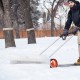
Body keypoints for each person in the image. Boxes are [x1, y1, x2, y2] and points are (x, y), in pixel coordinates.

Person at [61, 0, 80, 64]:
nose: (70, 4)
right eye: (69, 3)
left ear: (75, 2)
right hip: (78, 28)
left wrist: (77, 27)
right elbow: (69, 21)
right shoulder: (71, 11)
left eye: (71, 2)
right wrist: (66, 30)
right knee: (79, 43)